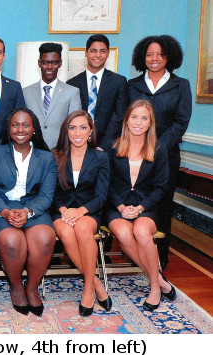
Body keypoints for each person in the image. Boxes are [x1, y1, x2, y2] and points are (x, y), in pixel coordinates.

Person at [0, 108, 56, 317]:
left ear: (34, 129)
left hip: (33, 207)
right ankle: (16, 286)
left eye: (26, 125)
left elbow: (47, 195)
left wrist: (29, 211)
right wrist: (5, 212)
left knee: (44, 238)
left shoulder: (46, 157)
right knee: (14, 242)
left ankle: (32, 286)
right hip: (2, 208)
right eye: (15, 124)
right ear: (9, 128)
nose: (20, 129)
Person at [128, 35, 192, 269]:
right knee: (134, 198)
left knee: (163, 204)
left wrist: (156, 147)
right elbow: (127, 120)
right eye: (150, 54)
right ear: (142, 58)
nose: (155, 59)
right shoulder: (132, 85)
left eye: (160, 54)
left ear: (169, 57)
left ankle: (160, 258)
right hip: (134, 156)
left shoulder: (181, 85)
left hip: (166, 156)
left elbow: (181, 121)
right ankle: (133, 251)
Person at [106, 99, 176, 311]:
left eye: (144, 118)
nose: (138, 122)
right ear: (127, 120)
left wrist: (140, 208)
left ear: (150, 123)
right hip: (117, 207)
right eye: (134, 117)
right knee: (125, 234)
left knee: (142, 231)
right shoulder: (113, 146)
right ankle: (160, 279)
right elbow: (105, 184)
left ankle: (155, 287)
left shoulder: (159, 149)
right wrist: (120, 206)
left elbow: (161, 188)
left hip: (148, 207)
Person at [51, 110, 111, 316]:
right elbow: (51, 191)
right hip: (62, 210)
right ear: (66, 131)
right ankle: (96, 283)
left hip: (90, 209)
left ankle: (88, 290)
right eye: (73, 127)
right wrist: (63, 209)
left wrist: (82, 211)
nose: (78, 132)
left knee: (84, 229)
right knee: (66, 232)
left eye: (83, 127)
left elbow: (102, 195)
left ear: (91, 131)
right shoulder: (55, 155)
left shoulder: (101, 157)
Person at [67, 34, 129, 150]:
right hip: (78, 146)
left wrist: (103, 146)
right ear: (86, 53)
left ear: (108, 54)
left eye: (102, 51)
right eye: (93, 51)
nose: (98, 55)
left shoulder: (119, 82)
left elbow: (120, 116)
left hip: (108, 147)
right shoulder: (72, 83)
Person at [23, 42, 82, 150]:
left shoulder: (72, 92)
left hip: (61, 153)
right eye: (45, 62)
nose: (49, 67)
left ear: (60, 63)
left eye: (54, 62)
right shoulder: (26, 92)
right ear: (39, 63)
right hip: (32, 153)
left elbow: (75, 126)